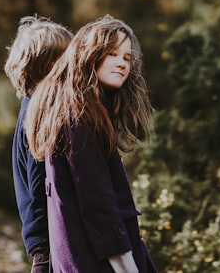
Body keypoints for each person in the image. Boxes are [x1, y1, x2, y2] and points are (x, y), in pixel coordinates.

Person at [26, 15, 156, 273]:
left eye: (126, 57)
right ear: (90, 55)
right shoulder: (79, 119)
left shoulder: (81, 113)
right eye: (112, 54)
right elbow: (98, 204)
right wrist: (128, 266)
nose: (121, 63)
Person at [4, 15, 74, 273]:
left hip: (47, 239)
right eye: (64, 60)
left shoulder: (35, 108)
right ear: (42, 67)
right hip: (47, 243)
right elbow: (39, 184)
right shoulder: (38, 114)